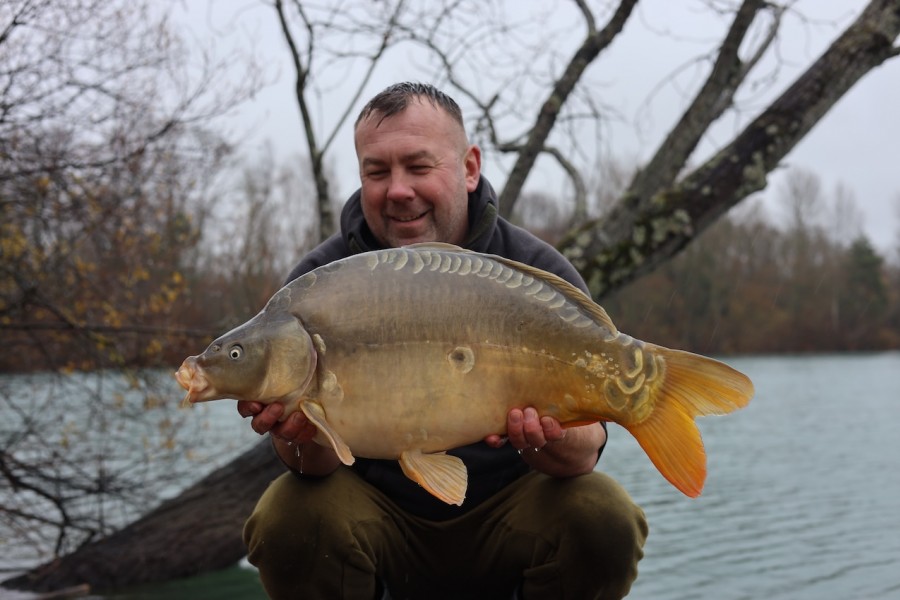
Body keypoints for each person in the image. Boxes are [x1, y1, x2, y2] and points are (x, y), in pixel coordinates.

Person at [239, 82, 648, 600]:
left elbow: (582, 456)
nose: (398, 190)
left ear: (470, 167)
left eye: (418, 166)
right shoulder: (320, 283)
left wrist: (549, 437)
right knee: (288, 515)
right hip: (378, 519)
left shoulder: (535, 273)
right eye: (377, 171)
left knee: (602, 513)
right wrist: (296, 433)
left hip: (509, 514)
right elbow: (310, 468)